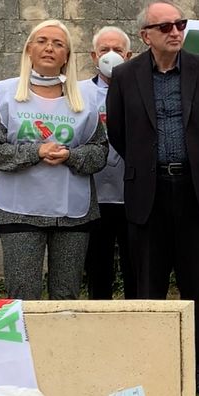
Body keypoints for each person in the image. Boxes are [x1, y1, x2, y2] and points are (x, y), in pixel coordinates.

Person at [105, 0, 199, 396]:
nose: (175, 32)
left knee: (198, 283)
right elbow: (119, 135)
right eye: (165, 27)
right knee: (148, 283)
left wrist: (194, 165)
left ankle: (198, 367)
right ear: (145, 35)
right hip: (148, 192)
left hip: (195, 192)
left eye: (180, 24)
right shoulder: (126, 77)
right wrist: (149, 168)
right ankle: (153, 364)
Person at [0, 20, 109, 299]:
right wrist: (35, 152)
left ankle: (61, 344)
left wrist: (71, 156)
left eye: (58, 44)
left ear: (67, 56)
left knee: (66, 296)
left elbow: (99, 152)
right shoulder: (6, 94)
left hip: (72, 213)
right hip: (19, 210)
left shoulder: (85, 97)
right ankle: (27, 344)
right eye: (42, 41)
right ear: (29, 49)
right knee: (23, 295)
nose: (49, 47)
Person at [82, 26, 134, 299]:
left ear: (129, 55)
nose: (110, 55)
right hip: (93, 196)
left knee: (135, 270)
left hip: (133, 196)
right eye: (104, 50)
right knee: (98, 270)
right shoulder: (78, 93)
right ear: (94, 55)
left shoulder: (141, 91)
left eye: (117, 50)